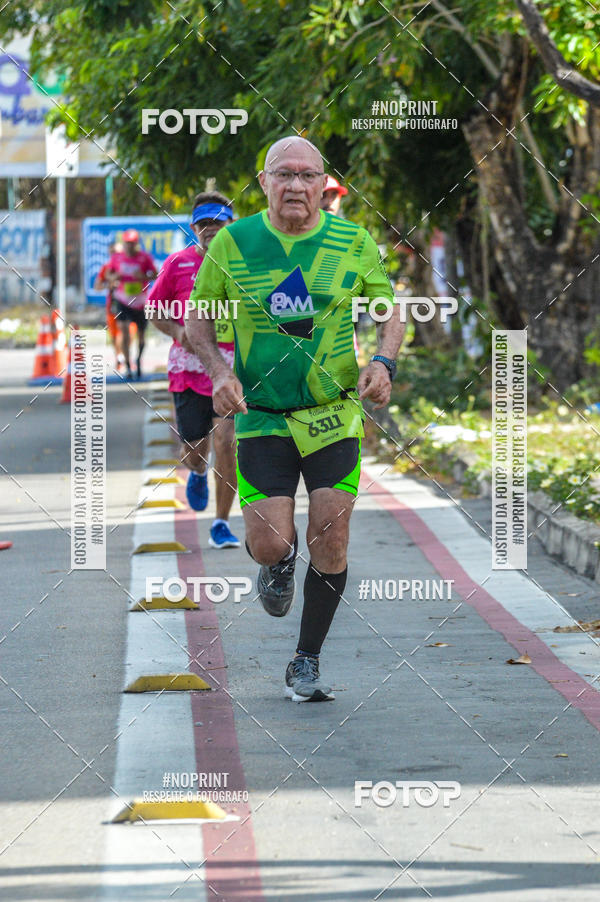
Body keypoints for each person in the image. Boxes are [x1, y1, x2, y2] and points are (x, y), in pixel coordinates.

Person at [187, 136, 404, 702]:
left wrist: (383, 362)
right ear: (264, 183)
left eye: (308, 176)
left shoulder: (353, 242)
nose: (295, 187)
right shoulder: (233, 243)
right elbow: (198, 322)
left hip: (332, 414)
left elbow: (391, 312)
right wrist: (218, 371)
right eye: (283, 175)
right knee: (269, 543)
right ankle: (276, 566)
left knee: (331, 537)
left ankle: (305, 660)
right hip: (262, 416)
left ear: (322, 184)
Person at [146, 193, 240, 549]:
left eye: (218, 223)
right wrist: (178, 332)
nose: (211, 230)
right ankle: (198, 471)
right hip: (189, 369)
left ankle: (220, 523)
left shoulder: (243, 265)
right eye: (204, 225)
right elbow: (155, 311)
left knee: (227, 442)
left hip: (230, 366)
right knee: (195, 448)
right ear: (193, 228)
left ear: (230, 224)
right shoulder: (178, 264)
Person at [106, 229, 157, 379]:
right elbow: (108, 274)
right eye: (127, 243)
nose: (129, 246)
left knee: (141, 335)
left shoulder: (144, 258)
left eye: (132, 244)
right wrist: (115, 276)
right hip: (123, 300)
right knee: (124, 331)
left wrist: (143, 276)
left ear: (137, 244)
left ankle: (138, 360)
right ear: (124, 244)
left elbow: (156, 274)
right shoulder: (117, 258)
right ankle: (128, 366)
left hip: (140, 301)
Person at [94, 241, 125, 372]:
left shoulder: (128, 265)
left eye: (117, 252)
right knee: (115, 333)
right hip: (113, 303)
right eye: (112, 253)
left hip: (129, 302)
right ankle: (120, 358)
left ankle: (126, 357)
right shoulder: (107, 268)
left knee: (127, 331)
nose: (115, 255)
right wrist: (109, 285)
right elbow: (97, 286)